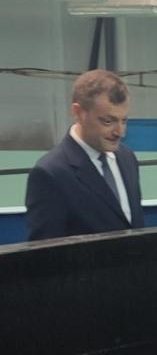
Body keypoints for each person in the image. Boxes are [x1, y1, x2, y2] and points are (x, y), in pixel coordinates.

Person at [25, 69, 144, 240]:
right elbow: (45, 252)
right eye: (108, 121)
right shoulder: (50, 174)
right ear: (78, 113)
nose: (120, 132)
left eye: (124, 121)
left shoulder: (127, 158)